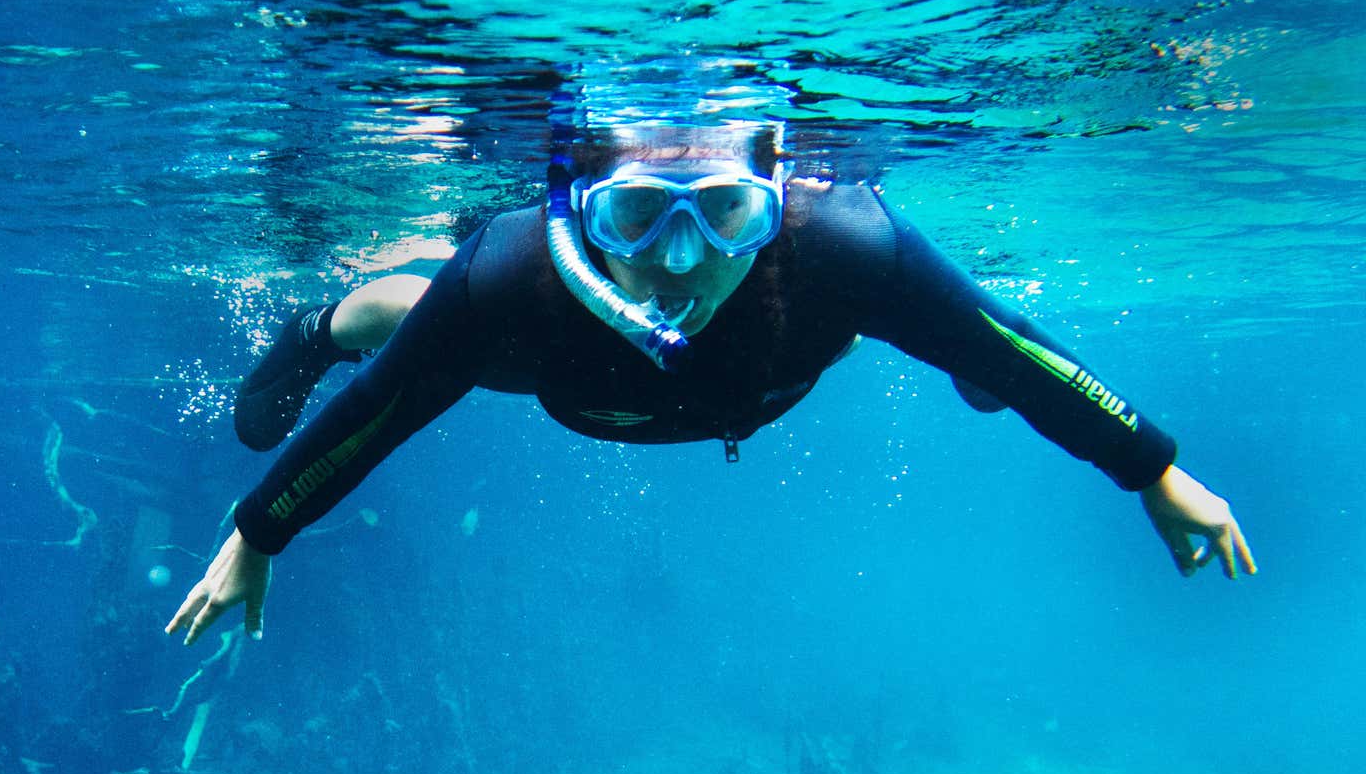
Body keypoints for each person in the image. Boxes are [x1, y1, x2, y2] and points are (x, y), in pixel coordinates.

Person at [166, 115, 1256, 647]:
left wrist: (1153, 469)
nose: (682, 261)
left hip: (774, 366)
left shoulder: (845, 246)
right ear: (578, 211)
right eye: (639, 216)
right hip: (566, 372)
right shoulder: (520, 273)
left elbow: (1013, 343)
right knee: (423, 327)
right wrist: (261, 528)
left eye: (725, 212)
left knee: (969, 345)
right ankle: (323, 321)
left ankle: (942, 354)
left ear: (774, 193)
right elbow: (380, 411)